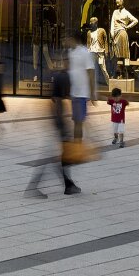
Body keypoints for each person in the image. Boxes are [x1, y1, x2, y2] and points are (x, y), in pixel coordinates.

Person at [24, 69, 82, 198]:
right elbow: (58, 117)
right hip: (58, 130)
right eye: (68, 84)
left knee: (57, 159)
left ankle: (68, 185)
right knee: (55, 159)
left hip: (57, 130)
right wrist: (65, 132)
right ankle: (33, 188)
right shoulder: (58, 101)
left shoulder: (57, 98)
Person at [66, 35, 94, 140]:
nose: (65, 41)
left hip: (81, 93)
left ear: (74, 39)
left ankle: (78, 145)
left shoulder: (84, 52)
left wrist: (92, 92)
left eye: (67, 38)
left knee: (78, 122)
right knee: (76, 121)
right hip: (74, 93)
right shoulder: (70, 52)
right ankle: (77, 144)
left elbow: (91, 71)